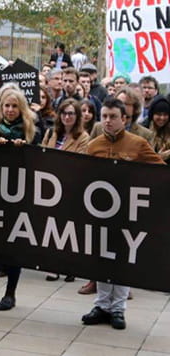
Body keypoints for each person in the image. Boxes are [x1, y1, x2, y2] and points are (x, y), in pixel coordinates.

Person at [81, 97, 164, 330]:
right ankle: (101, 305)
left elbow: (160, 171)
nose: (108, 121)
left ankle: (118, 309)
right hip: (100, 212)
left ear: (124, 119)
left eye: (113, 117)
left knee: (123, 260)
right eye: (105, 116)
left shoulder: (137, 143)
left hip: (129, 213)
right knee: (101, 258)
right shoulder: (93, 145)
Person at [0, 84, 40, 311]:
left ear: (22, 108)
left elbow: (39, 162)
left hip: (19, 196)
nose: (10, 110)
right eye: (7, 105)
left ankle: (10, 293)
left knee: (14, 246)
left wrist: (24, 150)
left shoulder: (32, 130)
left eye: (15, 106)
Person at [40, 99, 90, 282]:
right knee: (51, 227)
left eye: (71, 113)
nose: (67, 117)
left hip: (71, 188)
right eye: (64, 113)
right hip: (50, 186)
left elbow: (82, 162)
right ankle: (53, 266)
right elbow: (42, 154)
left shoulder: (83, 137)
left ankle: (70, 266)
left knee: (69, 230)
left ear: (77, 117)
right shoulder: (51, 133)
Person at [146, 95, 170, 161]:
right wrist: (159, 157)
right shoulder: (145, 129)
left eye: (165, 115)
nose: (162, 118)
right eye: (159, 114)